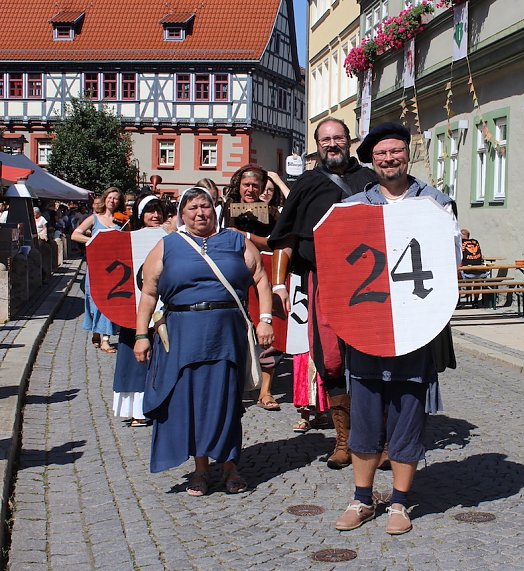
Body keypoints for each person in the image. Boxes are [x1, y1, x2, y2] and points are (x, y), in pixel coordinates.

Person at [333, 122, 457, 535]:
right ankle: (362, 498)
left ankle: (401, 503)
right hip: (368, 325)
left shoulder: (435, 204)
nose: (389, 158)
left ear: (407, 154)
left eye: (396, 151)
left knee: (408, 411)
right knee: (365, 414)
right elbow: (340, 266)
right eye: (381, 153)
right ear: (371, 159)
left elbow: (449, 264)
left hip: (416, 326)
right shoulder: (354, 207)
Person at [134, 186, 274, 496]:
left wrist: (265, 319)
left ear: (215, 209)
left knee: (225, 402)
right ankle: (200, 470)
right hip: (183, 336)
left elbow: (261, 278)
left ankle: (229, 466)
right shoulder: (168, 245)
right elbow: (148, 291)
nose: (200, 213)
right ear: (182, 214)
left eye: (205, 206)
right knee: (191, 402)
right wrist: (141, 335)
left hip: (225, 334)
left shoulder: (236, 241)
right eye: (193, 208)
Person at [268, 118, 377, 468]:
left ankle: (377, 437)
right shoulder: (307, 185)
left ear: (349, 141)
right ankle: (343, 439)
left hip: (369, 284)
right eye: (325, 139)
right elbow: (284, 239)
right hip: (324, 279)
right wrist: (280, 284)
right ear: (317, 144)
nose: (333, 144)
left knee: (373, 357)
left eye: (338, 138)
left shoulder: (370, 181)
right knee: (330, 359)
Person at [223, 164, 284, 411]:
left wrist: (245, 237)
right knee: (234, 333)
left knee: (268, 332)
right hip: (233, 275)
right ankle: (234, 389)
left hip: (263, 275)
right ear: (239, 185)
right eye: (246, 184)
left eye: (255, 185)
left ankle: (266, 391)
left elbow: (275, 242)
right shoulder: (225, 209)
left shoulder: (271, 212)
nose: (250, 189)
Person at [113, 195, 167, 427]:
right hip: (133, 309)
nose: (155, 216)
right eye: (149, 211)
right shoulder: (127, 240)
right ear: (140, 215)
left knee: (163, 357)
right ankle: (137, 409)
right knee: (134, 360)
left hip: (163, 307)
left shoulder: (170, 239)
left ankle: (160, 404)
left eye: (158, 211)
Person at [72, 188, 125, 353]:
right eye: (110, 197)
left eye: (116, 198)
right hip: (97, 267)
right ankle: (97, 332)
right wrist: (95, 241)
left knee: (110, 302)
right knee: (95, 301)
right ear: (105, 199)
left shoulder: (120, 221)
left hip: (114, 269)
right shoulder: (94, 218)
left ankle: (105, 339)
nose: (113, 201)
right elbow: (75, 235)